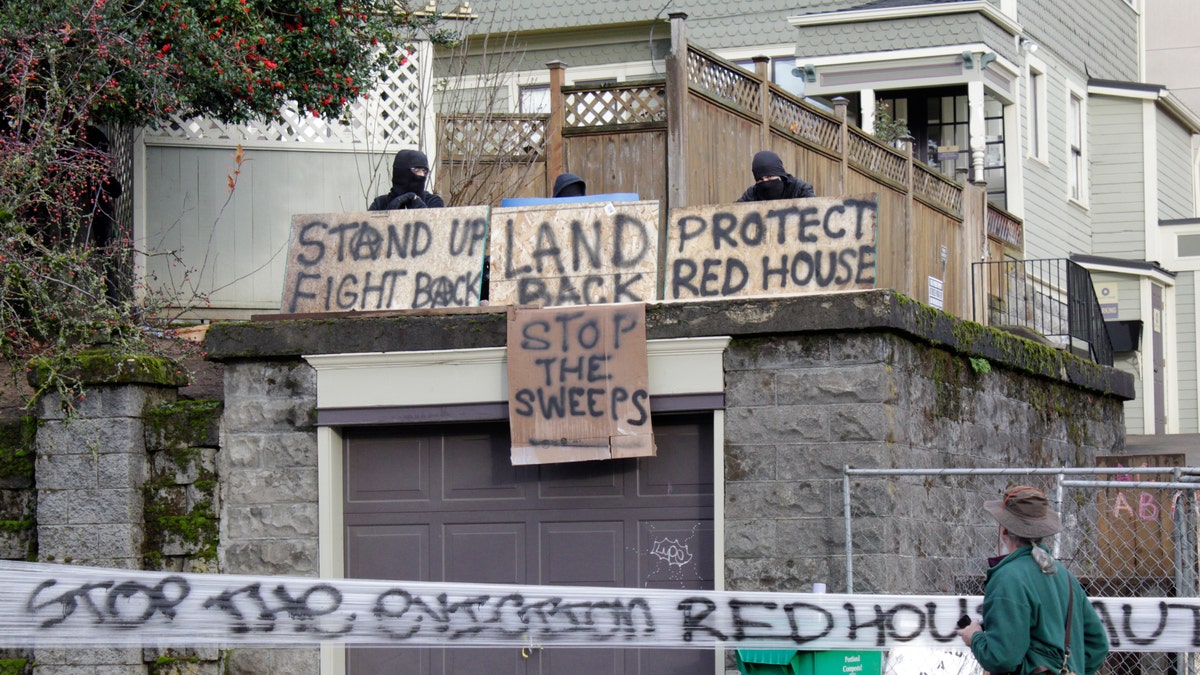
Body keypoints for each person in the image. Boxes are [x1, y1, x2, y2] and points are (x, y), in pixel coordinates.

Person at [957, 486, 1109, 675]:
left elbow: (1002, 659)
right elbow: (1098, 645)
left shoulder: (1007, 579)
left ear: (1004, 531)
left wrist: (975, 637)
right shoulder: (1065, 576)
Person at [368, 149, 444, 211]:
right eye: (417, 170)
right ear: (401, 172)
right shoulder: (380, 204)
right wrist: (392, 209)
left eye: (424, 171)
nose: (421, 175)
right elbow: (371, 228)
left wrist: (417, 203)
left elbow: (434, 226)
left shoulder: (433, 201)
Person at [736, 150, 815, 202]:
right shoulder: (752, 193)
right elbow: (735, 210)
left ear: (779, 175)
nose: (765, 182)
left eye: (769, 177)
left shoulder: (800, 189)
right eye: (760, 179)